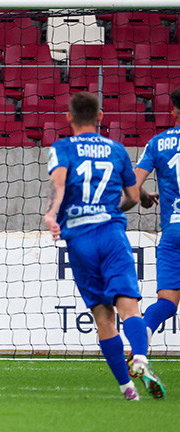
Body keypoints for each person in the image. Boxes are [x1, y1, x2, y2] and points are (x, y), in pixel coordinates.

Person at [43, 91, 164, 401]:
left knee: (102, 315)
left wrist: (53, 213)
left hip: (80, 239)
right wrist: (118, 203)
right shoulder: (117, 149)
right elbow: (133, 196)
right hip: (111, 233)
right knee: (128, 305)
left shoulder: (62, 148)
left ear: (69, 118)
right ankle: (140, 356)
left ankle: (127, 389)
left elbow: (59, 185)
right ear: (100, 118)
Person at [128, 87, 180, 365]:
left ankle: (143, 340)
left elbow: (133, 188)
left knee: (167, 303)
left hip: (173, 232)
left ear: (173, 111)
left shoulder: (158, 143)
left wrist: (147, 197)